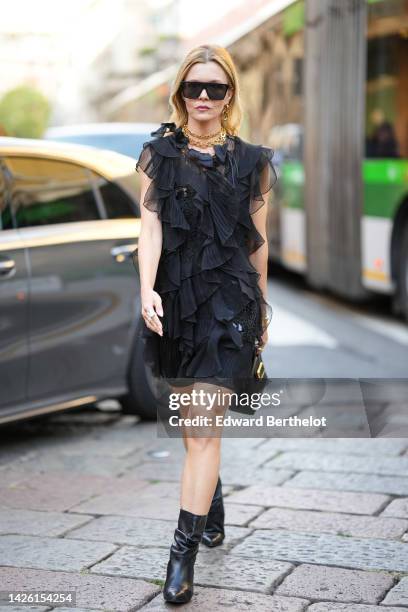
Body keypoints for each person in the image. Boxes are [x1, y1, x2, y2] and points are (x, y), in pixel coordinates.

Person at [135, 44, 277, 604]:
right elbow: (150, 230)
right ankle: (210, 501)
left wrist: (261, 308)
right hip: (177, 300)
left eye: (215, 88)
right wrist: (145, 287)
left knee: (201, 430)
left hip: (230, 302)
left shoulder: (252, 161)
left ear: (229, 95)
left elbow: (256, 244)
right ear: (179, 92)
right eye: (193, 87)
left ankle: (180, 556)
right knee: (197, 430)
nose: (203, 98)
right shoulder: (158, 155)